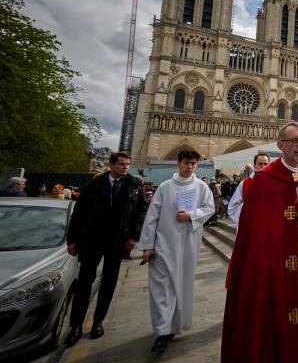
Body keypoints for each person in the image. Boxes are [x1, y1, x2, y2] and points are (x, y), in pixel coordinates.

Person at [221, 123, 298, 362]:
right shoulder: (264, 179)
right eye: (294, 141)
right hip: (276, 269)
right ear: (280, 145)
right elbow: (255, 229)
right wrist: (292, 233)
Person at [64, 152, 147, 347]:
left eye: (127, 164)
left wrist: (134, 236)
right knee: (84, 282)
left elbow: (141, 211)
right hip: (92, 240)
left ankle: (98, 321)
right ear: (110, 165)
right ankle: (75, 325)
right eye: (121, 164)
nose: (125, 167)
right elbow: (79, 212)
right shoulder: (95, 183)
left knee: (109, 283)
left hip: (117, 241)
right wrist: (72, 239)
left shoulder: (134, 185)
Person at [137, 149, 215, 354]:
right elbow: (152, 217)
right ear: (178, 164)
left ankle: (175, 325)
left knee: (182, 286)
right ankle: (162, 332)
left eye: (193, 164)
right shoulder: (165, 187)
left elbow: (210, 208)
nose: (190, 167)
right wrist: (147, 246)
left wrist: (190, 215)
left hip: (189, 244)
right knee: (161, 288)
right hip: (164, 244)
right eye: (186, 163)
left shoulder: (202, 187)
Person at [227, 152, 270, 224]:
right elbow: (233, 207)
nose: (263, 166)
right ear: (255, 166)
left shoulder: (276, 183)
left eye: (265, 164)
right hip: (250, 224)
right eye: (260, 164)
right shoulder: (245, 183)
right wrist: (249, 210)